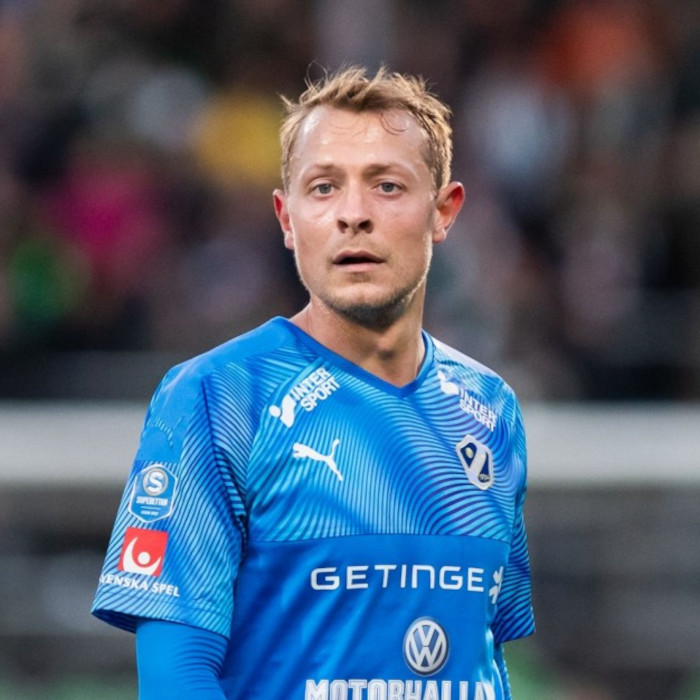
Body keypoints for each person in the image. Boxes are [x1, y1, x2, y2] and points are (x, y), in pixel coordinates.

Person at [92, 65, 535, 700]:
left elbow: (484, 654)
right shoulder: (219, 397)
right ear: (287, 218)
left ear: (443, 211)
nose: (353, 215)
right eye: (324, 188)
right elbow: (175, 679)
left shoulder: (490, 409)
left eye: (387, 186)